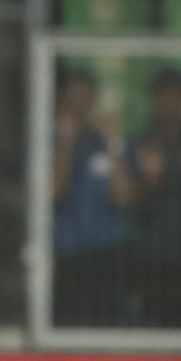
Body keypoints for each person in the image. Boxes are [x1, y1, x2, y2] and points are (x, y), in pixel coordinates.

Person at [51, 69, 139, 325]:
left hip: (108, 255)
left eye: (86, 99)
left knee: (109, 323)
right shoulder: (47, 143)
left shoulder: (108, 144)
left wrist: (114, 144)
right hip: (67, 256)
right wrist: (65, 145)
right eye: (74, 100)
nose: (80, 107)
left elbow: (124, 196)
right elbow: (52, 193)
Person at [134, 67, 181, 326]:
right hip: (152, 253)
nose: (169, 102)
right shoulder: (143, 141)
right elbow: (130, 200)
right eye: (163, 96)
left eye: (175, 95)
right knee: (154, 321)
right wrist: (149, 179)